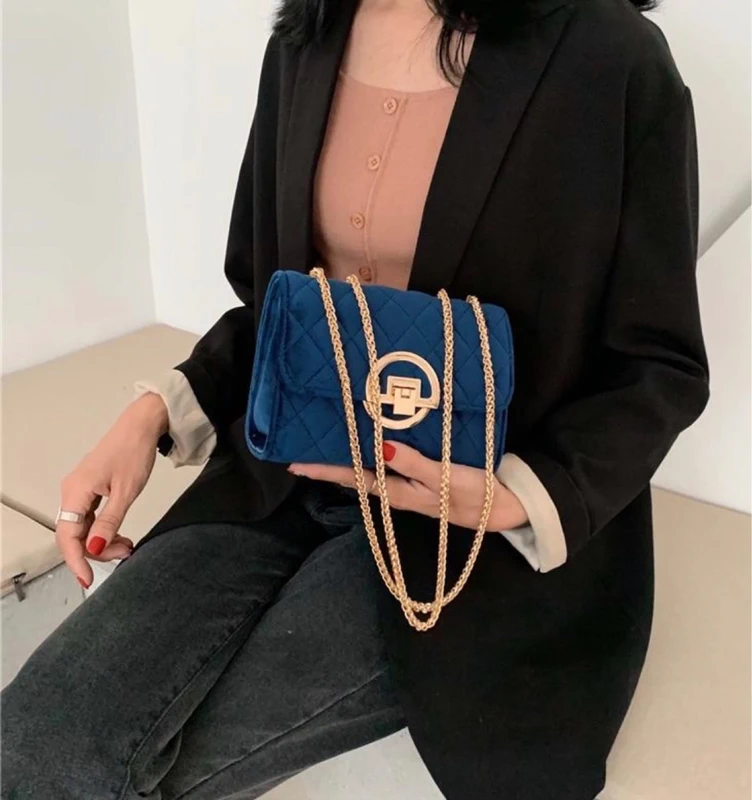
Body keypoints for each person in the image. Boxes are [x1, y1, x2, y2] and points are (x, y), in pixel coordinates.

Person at [2, 0, 709, 797]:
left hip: (469, 529)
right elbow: (278, 308)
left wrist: (516, 498)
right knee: (30, 746)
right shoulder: (306, 39)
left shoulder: (609, 56)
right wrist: (152, 413)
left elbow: (658, 362)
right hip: (286, 474)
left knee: (123, 774)